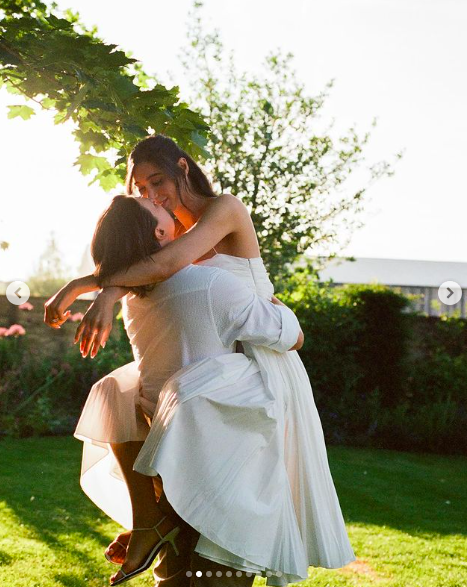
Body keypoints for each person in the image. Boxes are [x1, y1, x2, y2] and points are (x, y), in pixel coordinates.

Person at [44, 134, 356, 586]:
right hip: (224, 349)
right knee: (123, 392)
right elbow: (148, 260)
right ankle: (158, 518)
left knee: (187, 400)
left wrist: (84, 287)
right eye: (142, 190)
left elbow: (158, 265)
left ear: (183, 167)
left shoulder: (223, 209)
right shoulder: (172, 235)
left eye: (156, 181)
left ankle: (165, 524)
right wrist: (108, 289)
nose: (152, 195)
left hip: (257, 357)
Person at [74, 195, 304, 586]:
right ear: (160, 231)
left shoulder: (133, 300)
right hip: (225, 480)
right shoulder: (211, 285)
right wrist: (272, 302)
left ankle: (152, 528)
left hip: (170, 483)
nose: (162, 202)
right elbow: (292, 337)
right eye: (155, 205)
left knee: (173, 580)